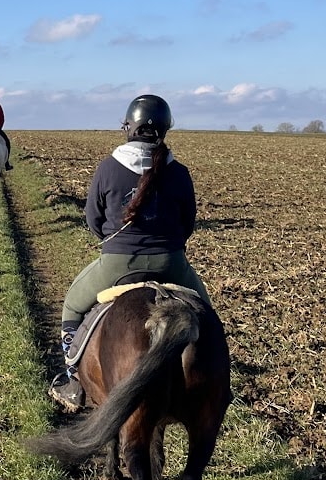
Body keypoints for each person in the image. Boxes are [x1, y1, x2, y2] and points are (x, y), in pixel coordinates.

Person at [49, 93, 211, 411]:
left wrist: (113, 242)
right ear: (165, 129)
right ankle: (211, 384)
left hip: (117, 263)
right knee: (207, 315)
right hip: (171, 263)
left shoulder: (108, 167)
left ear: (129, 127)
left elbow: (93, 219)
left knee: (72, 305)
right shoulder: (179, 172)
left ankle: (73, 380)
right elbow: (187, 223)